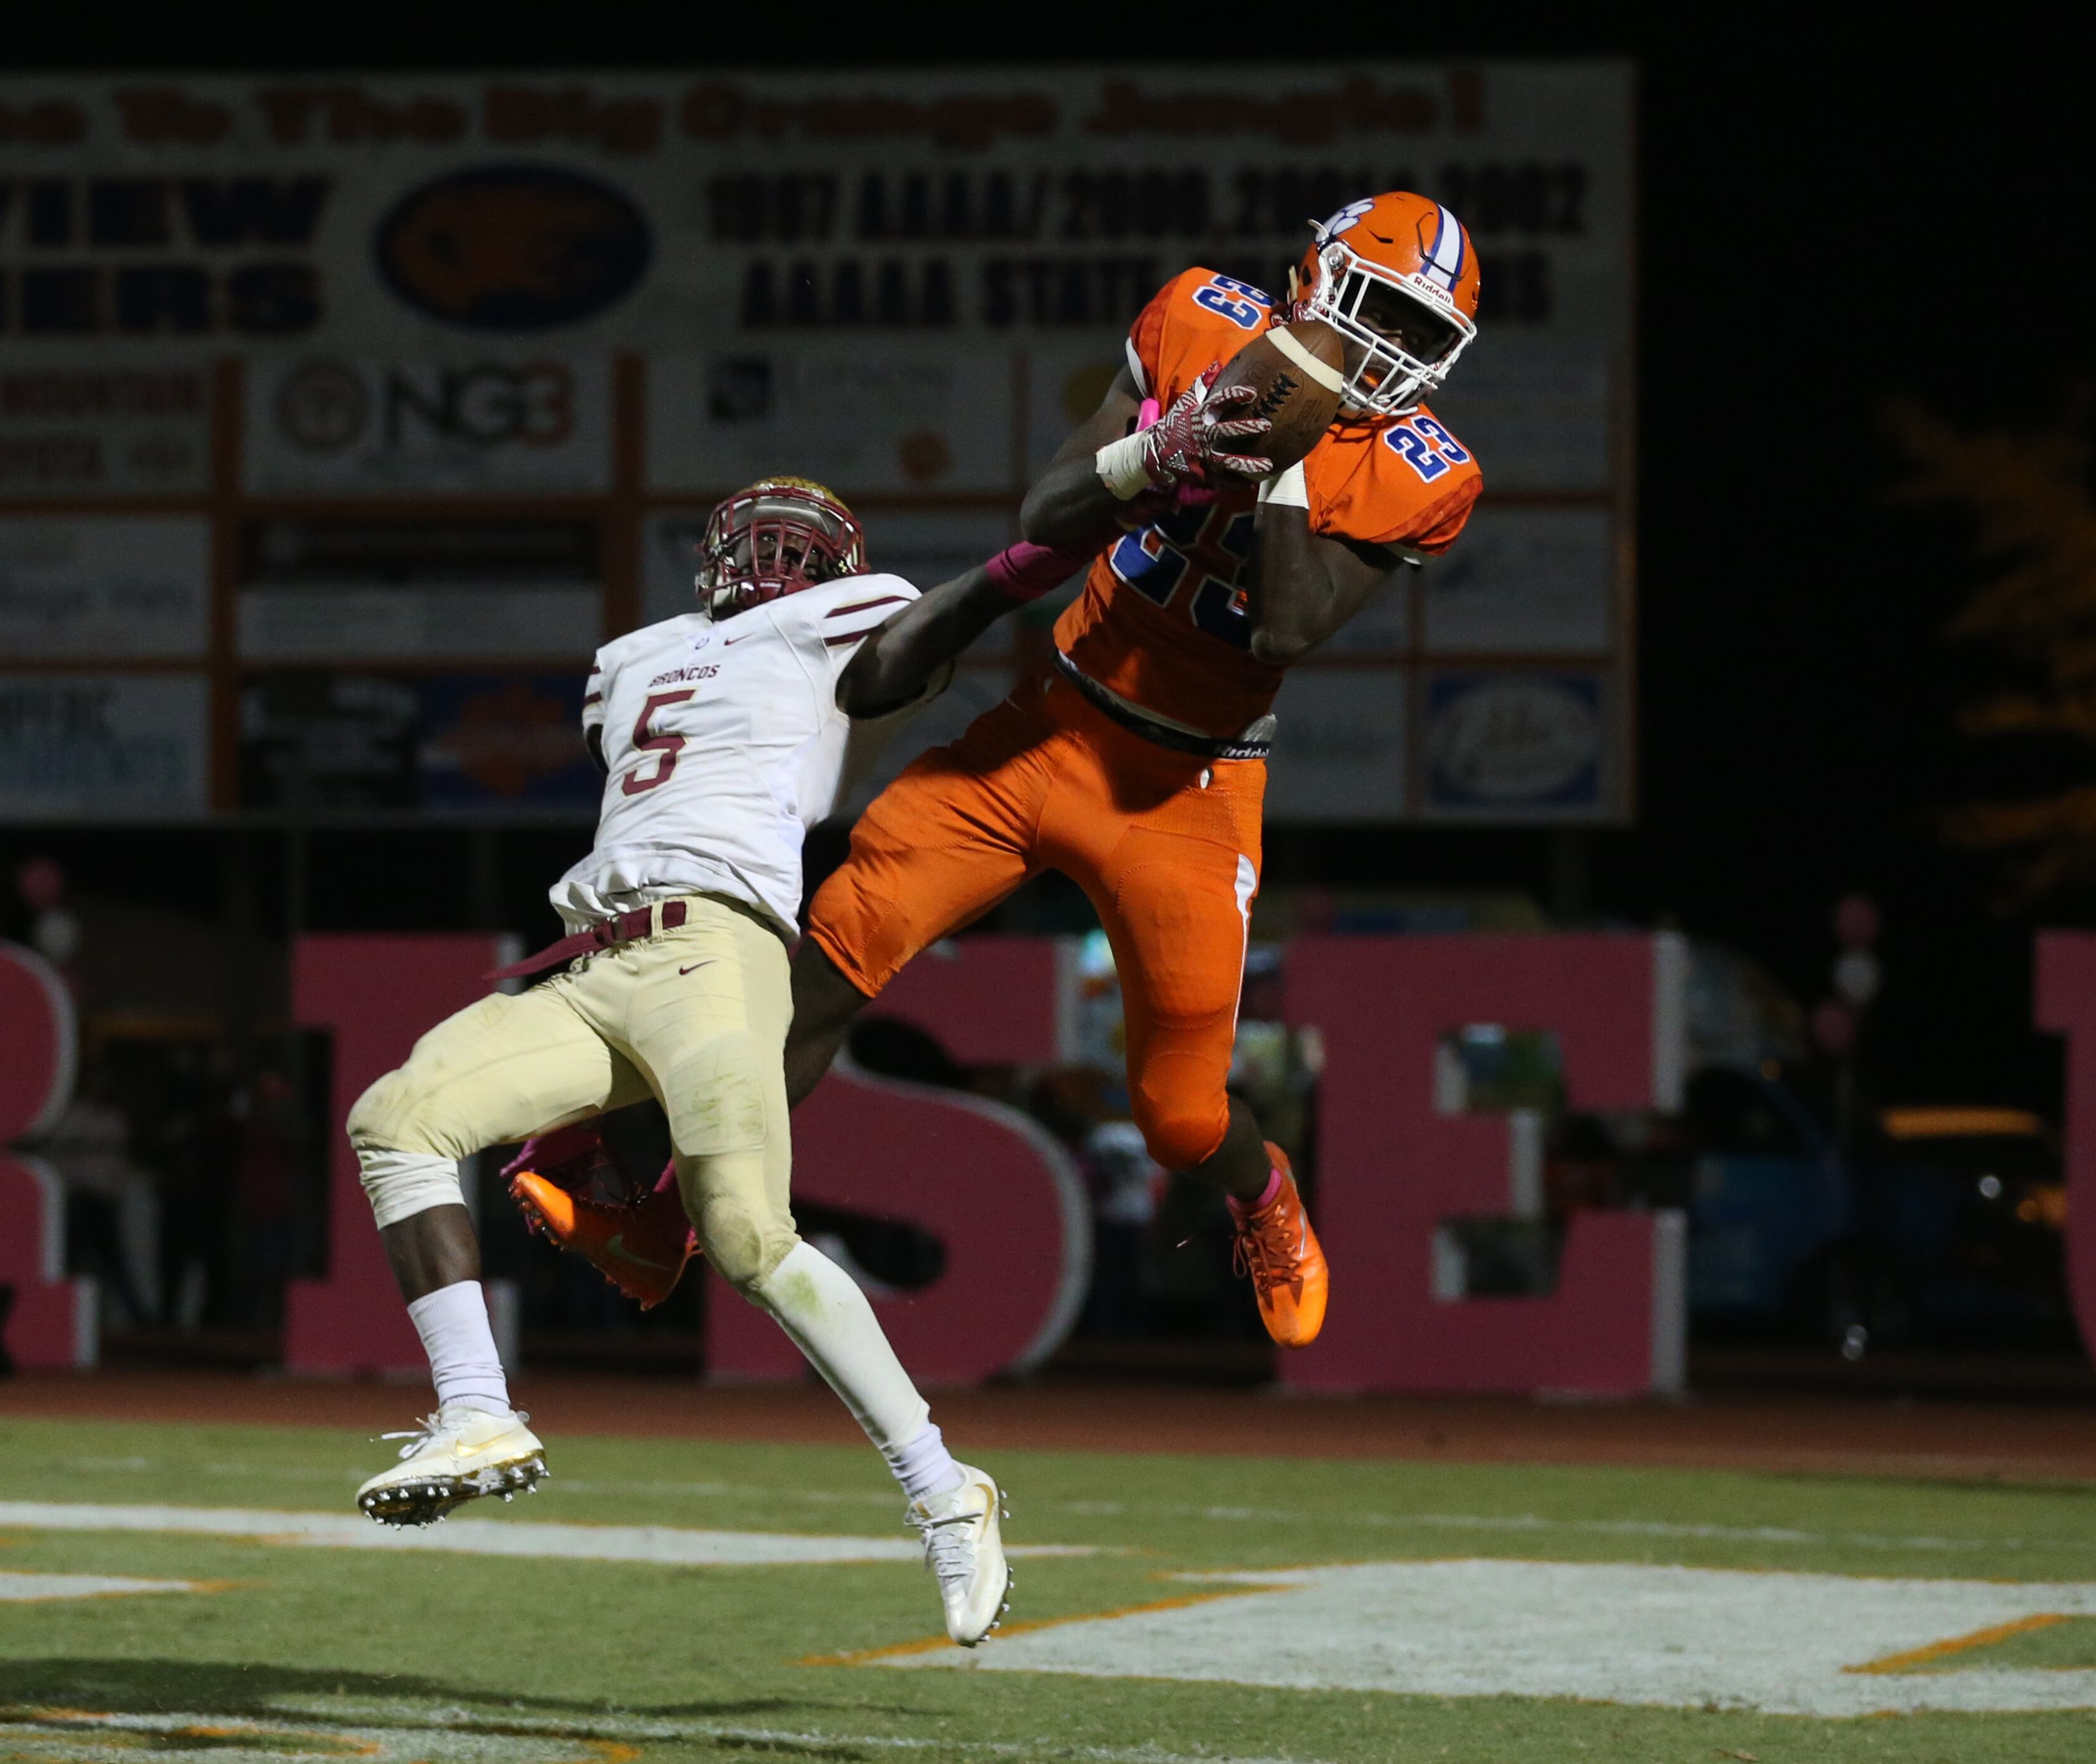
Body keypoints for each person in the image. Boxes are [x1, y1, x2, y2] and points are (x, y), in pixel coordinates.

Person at [531, 193, 1487, 1354]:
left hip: (1187, 793)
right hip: (1043, 737)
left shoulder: (1419, 467)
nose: (1388, 345)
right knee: (825, 961)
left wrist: (1275, 457)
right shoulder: (1196, 318)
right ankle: (670, 1218)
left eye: (1419, 329)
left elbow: (1287, 628)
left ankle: (1265, 1196)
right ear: (1316, 278)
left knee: (1181, 1118)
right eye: (1375, 306)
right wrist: (1156, 451)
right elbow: (1047, 508)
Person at [345, 478, 1090, 1646]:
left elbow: (922, 639)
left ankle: (947, 1491)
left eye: (803, 545)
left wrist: (1035, 557)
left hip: (716, 949)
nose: (775, 556)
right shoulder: (636, 654)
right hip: (595, 960)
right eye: (758, 536)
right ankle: (476, 1412)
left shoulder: (839, 628)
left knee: (747, 1236)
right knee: (397, 1119)